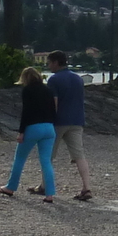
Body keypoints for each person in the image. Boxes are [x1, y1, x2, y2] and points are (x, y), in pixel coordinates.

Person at [30, 50, 92, 201]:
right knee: (79, 155)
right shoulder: (78, 79)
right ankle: (86, 187)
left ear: (56, 62)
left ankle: (45, 186)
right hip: (77, 121)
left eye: (50, 62)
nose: (49, 65)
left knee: (48, 156)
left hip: (58, 122)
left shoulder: (54, 80)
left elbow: (54, 103)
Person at [0, 65, 56, 203]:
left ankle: (10, 187)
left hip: (33, 127)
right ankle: (49, 194)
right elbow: (54, 110)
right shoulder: (48, 90)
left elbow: (26, 112)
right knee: (46, 161)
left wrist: (21, 132)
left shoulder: (28, 90)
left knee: (20, 158)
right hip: (49, 127)